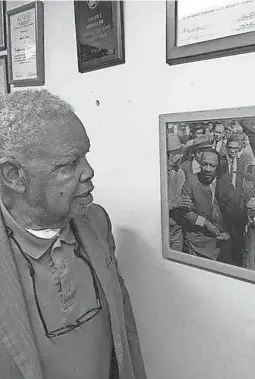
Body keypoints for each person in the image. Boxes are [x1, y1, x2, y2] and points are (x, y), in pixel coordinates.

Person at [0, 90, 146, 379]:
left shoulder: (97, 221)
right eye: (68, 165)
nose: (89, 172)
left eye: (85, 157)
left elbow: (123, 323)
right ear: (14, 177)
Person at [181, 149, 230, 261]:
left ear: (218, 167)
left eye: (212, 166)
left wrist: (228, 232)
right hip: (198, 242)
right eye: (204, 164)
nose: (207, 169)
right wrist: (206, 224)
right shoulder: (191, 181)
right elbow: (187, 213)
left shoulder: (224, 182)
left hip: (222, 241)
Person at [217, 133, 255, 267]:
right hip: (223, 211)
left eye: (235, 148)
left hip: (239, 212)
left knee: (239, 245)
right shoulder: (220, 162)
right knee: (225, 247)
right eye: (230, 147)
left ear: (239, 147)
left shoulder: (244, 162)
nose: (232, 151)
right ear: (226, 147)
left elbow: (248, 185)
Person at [167, 134, 193, 251]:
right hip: (162, 228)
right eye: (177, 152)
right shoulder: (156, 175)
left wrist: (188, 203)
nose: (181, 155)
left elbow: (183, 196)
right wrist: (172, 204)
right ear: (168, 155)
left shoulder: (180, 173)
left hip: (177, 228)